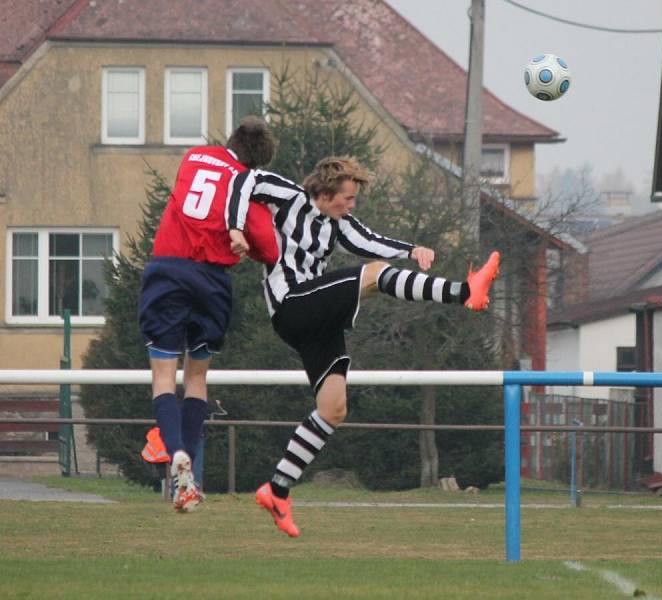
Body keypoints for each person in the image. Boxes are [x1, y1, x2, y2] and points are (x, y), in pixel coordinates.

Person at [230, 156, 501, 537]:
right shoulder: (287, 197)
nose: (351, 205)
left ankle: (277, 490)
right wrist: (233, 227)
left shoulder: (337, 224)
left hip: (314, 318)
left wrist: (411, 249)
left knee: (334, 408)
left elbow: (369, 240)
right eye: (348, 198)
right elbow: (245, 179)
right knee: (373, 275)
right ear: (324, 193)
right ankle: (464, 292)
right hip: (291, 305)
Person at [137, 116, 278, 512]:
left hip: (167, 270)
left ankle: (174, 452)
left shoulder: (195, 156)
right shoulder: (245, 182)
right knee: (196, 378)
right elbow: (268, 246)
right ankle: (190, 477)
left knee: (163, 378)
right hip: (213, 281)